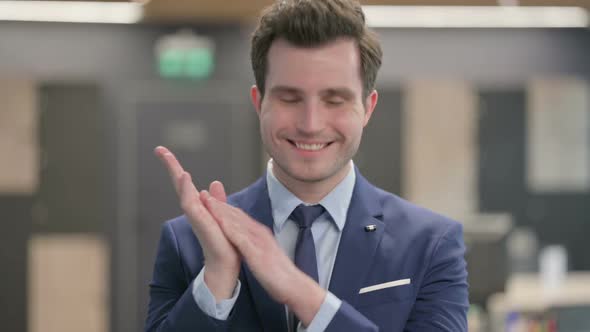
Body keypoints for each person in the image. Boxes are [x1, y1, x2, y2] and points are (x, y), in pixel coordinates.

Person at [145, 0, 469, 331]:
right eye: (289, 98)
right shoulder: (188, 240)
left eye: (335, 100)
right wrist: (217, 277)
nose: (311, 124)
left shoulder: (430, 244)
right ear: (259, 103)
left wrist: (301, 292)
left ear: (367, 107)